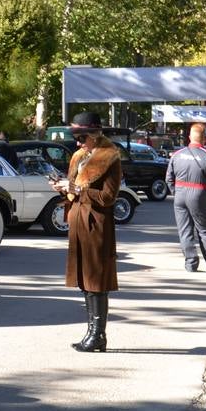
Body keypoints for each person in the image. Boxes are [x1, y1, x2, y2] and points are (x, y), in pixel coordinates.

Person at [48, 111, 121, 353]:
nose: (78, 143)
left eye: (81, 137)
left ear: (94, 134)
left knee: (96, 281)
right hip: (79, 220)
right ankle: (92, 333)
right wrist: (63, 188)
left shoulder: (109, 156)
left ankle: (98, 335)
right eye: (76, 138)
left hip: (97, 223)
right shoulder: (80, 156)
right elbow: (74, 191)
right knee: (85, 280)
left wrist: (79, 190)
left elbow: (108, 197)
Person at [166, 123, 206, 272]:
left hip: (180, 194)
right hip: (199, 194)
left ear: (190, 136)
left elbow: (169, 178)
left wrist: (175, 193)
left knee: (184, 231)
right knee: (204, 231)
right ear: (204, 138)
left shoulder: (177, 154)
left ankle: (190, 263)